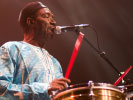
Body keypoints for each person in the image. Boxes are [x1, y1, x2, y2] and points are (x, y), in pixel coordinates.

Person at [0, 1, 71, 100]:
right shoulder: (11, 48)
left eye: (53, 17)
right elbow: (1, 88)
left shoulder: (55, 63)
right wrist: (44, 88)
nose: (53, 22)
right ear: (31, 21)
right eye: (46, 16)